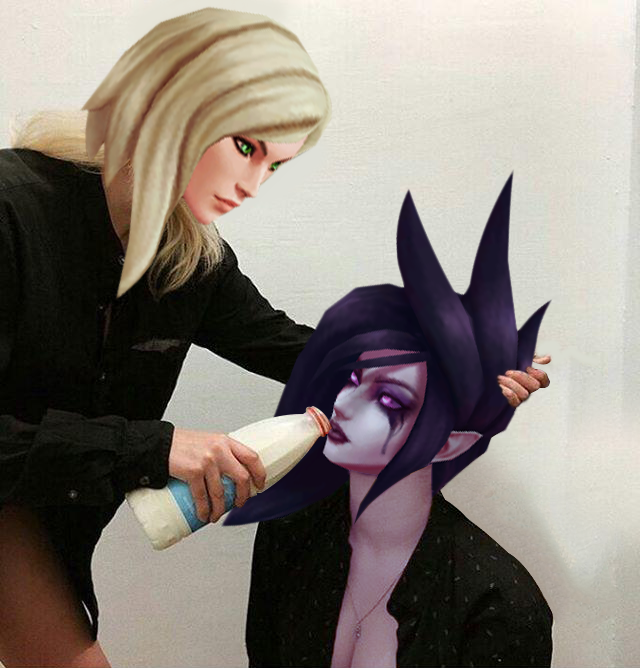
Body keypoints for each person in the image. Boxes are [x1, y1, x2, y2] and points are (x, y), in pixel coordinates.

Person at [0, 8, 331, 667]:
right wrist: (153, 447)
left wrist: (461, 368)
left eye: (274, 165)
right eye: (246, 148)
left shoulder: (188, 259)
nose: (252, 186)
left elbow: (300, 350)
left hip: (38, 522)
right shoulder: (13, 210)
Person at [226, 179, 554, 667]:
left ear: (449, 443)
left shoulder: (498, 604)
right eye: (352, 379)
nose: (345, 403)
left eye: (386, 398)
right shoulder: (288, 530)